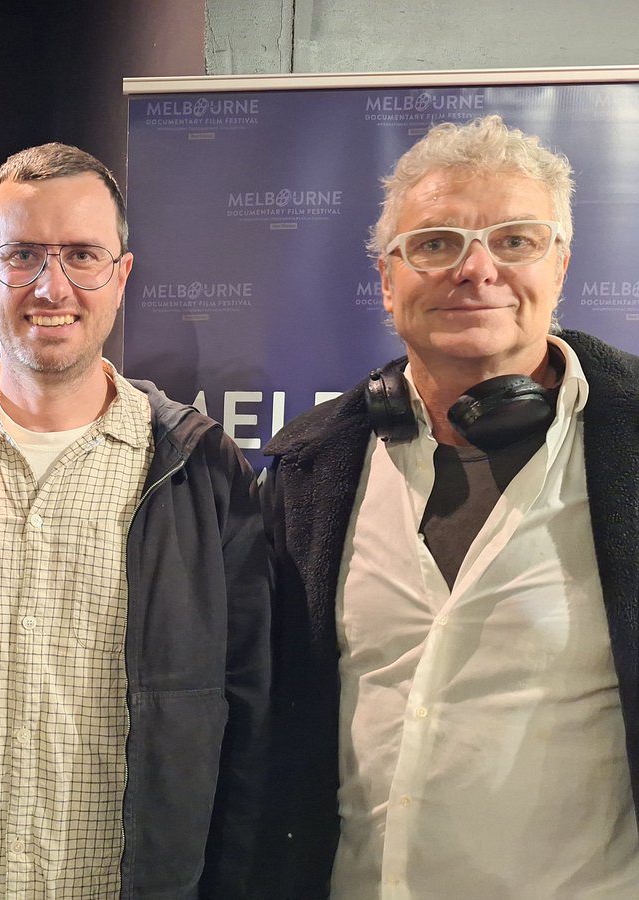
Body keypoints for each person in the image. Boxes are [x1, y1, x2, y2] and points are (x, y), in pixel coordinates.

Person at [0, 143, 270, 898]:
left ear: (121, 275)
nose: (52, 286)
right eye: (23, 256)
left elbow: (249, 725)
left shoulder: (204, 474)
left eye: (81, 255)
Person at [258, 114, 639, 898]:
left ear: (560, 266)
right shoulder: (310, 467)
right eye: (435, 244)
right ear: (388, 280)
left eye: (515, 240)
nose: (477, 270)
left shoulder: (628, 444)